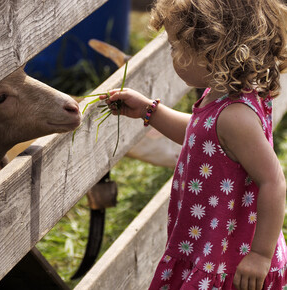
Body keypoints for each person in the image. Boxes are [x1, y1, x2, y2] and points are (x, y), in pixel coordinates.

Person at [100, 0, 287, 289]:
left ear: (211, 49)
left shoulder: (236, 116)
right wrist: (150, 111)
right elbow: (203, 135)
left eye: (175, 46)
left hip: (231, 264)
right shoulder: (224, 97)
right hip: (211, 247)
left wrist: (260, 255)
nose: (171, 54)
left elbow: (273, 180)